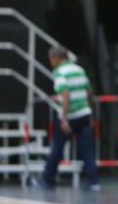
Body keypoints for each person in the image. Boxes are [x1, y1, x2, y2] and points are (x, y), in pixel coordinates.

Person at [40, 46, 100, 191]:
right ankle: (94, 182)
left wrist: (65, 119)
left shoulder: (59, 72)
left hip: (71, 116)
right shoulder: (79, 70)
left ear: (56, 58)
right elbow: (89, 93)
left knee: (57, 149)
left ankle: (48, 180)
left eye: (51, 59)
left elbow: (65, 95)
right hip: (84, 114)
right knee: (87, 150)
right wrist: (90, 112)